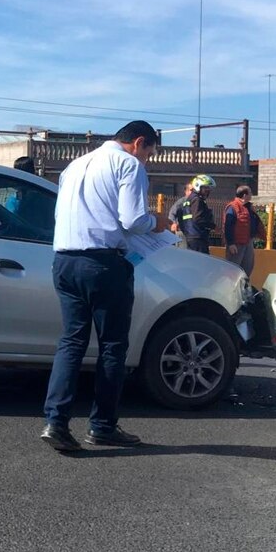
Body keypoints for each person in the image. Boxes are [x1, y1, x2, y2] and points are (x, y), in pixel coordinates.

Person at [41, 120, 170, 453]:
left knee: (71, 342)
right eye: (149, 153)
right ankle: (103, 426)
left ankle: (55, 422)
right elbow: (133, 221)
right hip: (103, 264)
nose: (147, 161)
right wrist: (158, 221)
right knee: (112, 347)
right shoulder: (128, 164)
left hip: (64, 261)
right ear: (139, 143)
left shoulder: (75, 165)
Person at [223, 185, 264, 276]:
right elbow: (228, 226)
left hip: (248, 242)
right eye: (250, 193)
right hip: (237, 244)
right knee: (233, 269)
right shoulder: (233, 207)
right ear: (245, 195)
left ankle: (243, 288)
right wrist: (230, 243)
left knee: (247, 268)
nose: (252, 195)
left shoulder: (248, 207)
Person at [174, 174, 216, 254]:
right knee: (202, 263)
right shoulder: (197, 200)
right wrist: (213, 226)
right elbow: (198, 218)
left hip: (191, 237)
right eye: (206, 188)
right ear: (198, 186)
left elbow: (180, 216)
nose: (208, 191)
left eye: (209, 188)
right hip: (198, 238)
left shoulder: (188, 200)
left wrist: (186, 232)